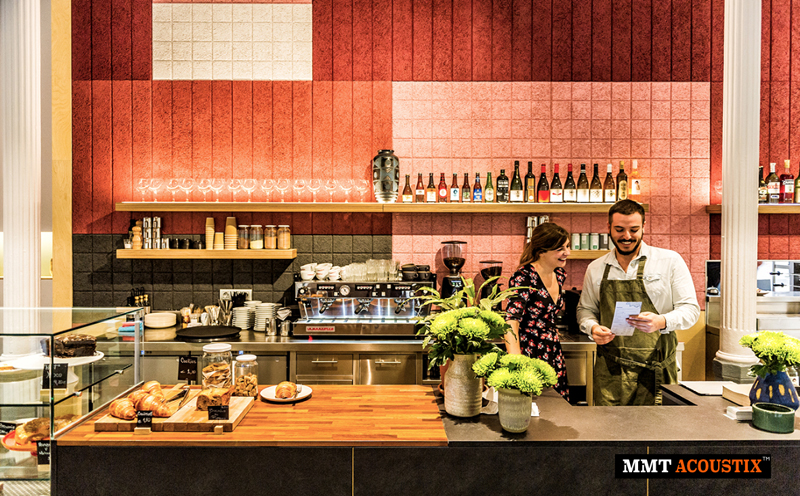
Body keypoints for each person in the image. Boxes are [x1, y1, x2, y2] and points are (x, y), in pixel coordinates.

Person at [576, 200, 699, 406]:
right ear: (608, 228)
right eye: (619, 229)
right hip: (611, 372)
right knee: (609, 426)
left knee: (656, 426)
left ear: (643, 227)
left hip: (656, 370)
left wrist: (661, 321)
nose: (626, 236)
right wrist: (592, 327)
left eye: (634, 230)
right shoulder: (596, 268)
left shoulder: (669, 261)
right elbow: (585, 310)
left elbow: (690, 310)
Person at [504, 222, 571, 401]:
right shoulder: (524, 277)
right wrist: (516, 360)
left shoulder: (559, 274)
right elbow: (511, 320)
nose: (567, 252)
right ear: (542, 251)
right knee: (532, 406)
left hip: (553, 350)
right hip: (530, 350)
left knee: (558, 406)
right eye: (560, 249)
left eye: (567, 246)